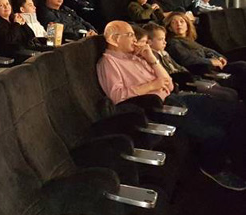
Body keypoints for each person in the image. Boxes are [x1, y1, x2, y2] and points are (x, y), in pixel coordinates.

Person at [97, 21, 246, 191]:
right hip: (159, 108)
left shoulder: (137, 57)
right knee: (215, 132)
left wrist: (151, 58)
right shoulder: (108, 62)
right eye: (130, 35)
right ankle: (213, 167)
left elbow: (167, 81)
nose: (134, 39)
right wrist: (153, 85)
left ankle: (237, 161)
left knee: (237, 110)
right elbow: (117, 96)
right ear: (114, 39)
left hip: (176, 97)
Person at [144, 22, 238, 101]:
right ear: (149, 42)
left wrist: (218, 57)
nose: (165, 42)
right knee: (228, 95)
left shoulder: (164, 52)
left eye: (164, 39)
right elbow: (178, 67)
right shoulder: (153, 56)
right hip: (181, 84)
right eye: (161, 39)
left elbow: (179, 66)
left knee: (231, 92)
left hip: (190, 77)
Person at [165, 12, 246, 99]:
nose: (179, 24)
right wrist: (210, 61)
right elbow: (186, 59)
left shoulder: (189, 40)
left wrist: (218, 56)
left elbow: (206, 50)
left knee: (241, 65)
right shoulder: (174, 43)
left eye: (181, 21)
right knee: (241, 70)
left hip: (211, 68)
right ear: (170, 28)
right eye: (174, 22)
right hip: (202, 73)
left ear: (187, 25)